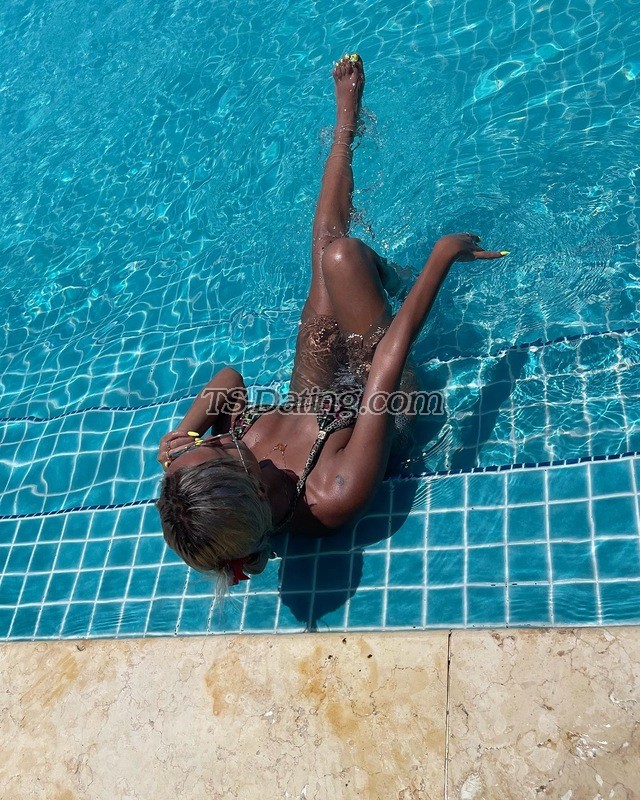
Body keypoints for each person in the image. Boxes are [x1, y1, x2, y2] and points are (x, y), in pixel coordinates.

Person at [156, 53, 508, 589]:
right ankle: (393, 275)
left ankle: (345, 131)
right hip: (381, 397)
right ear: (256, 490)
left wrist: (184, 431)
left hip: (315, 393)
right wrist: (442, 258)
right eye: (212, 447)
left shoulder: (225, 469)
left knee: (329, 248)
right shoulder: (333, 493)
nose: (211, 440)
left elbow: (229, 380)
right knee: (345, 260)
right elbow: (386, 366)